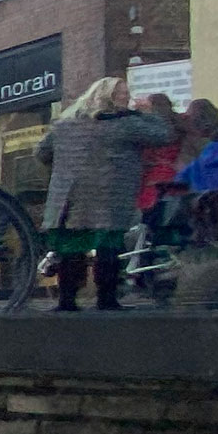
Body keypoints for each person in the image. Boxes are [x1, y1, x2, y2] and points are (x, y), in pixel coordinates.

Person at [37, 77, 176, 309]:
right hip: (109, 195)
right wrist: (148, 113)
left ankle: (67, 301)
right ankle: (107, 299)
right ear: (110, 97)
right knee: (108, 244)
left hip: (70, 196)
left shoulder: (65, 125)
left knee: (71, 247)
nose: (128, 97)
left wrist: (67, 167)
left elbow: (42, 152)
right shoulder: (127, 124)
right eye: (122, 93)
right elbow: (162, 135)